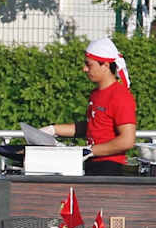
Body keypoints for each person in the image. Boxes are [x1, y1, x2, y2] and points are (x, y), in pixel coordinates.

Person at [48, 37, 139, 174]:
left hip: (109, 167)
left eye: (89, 65)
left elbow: (127, 140)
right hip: (93, 163)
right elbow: (93, 126)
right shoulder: (96, 94)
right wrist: (53, 129)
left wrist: (90, 151)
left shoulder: (120, 96)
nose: (84, 69)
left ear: (105, 65)